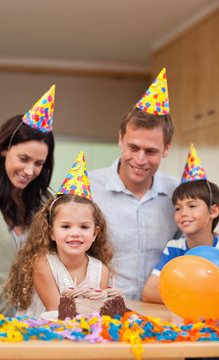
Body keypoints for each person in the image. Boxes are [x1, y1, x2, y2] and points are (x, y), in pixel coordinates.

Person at [89, 68, 181, 301]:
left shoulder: (178, 195)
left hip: (159, 315)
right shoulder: (87, 188)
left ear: (166, 148)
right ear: (121, 139)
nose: (140, 160)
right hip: (100, 314)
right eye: (133, 147)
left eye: (151, 151)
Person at [4, 152, 113, 319]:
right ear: (51, 232)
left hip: (81, 339)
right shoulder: (43, 265)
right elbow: (57, 313)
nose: (75, 233)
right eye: (66, 226)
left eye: (84, 226)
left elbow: (98, 315)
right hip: (39, 338)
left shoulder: (101, 271)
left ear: (95, 233)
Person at [0, 85, 55, 316]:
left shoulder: (43, 205)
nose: (30, 171)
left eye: (38, 164)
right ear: (4, 149)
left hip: (34, 332)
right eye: (23, 158)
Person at [142, 143, 219, 303]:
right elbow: (149, 292)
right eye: (178, 208)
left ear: (213, 211)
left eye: (192, 206)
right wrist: (194, 296)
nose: (183, 213)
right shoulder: (174, 248)